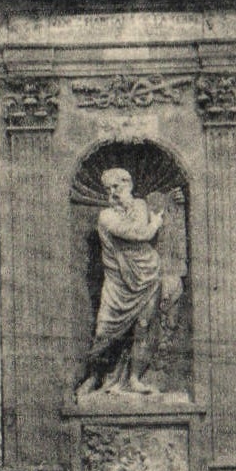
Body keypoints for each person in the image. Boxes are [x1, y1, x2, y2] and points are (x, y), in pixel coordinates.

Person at [78, 168, 166, 398]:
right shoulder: (106, 216)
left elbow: (140, 228)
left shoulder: (140, 205)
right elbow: (138, 233)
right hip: (118, 281)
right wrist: (155, 224)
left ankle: (134, 378)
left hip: (148, 274)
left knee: (143, 327)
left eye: (116, 187)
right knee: (104, 329)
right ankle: (94, 376)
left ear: (129, 185)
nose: (113, 193)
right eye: (108, 189)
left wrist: (147, 220)